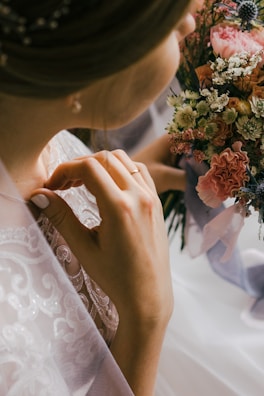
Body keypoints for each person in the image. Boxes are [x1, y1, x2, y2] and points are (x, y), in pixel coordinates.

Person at [0, 1, 195, 395]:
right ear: (80, 69)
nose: (193, 22)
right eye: (173, 22)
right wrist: (147, 320)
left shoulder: (38, 134)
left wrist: (108, 192)